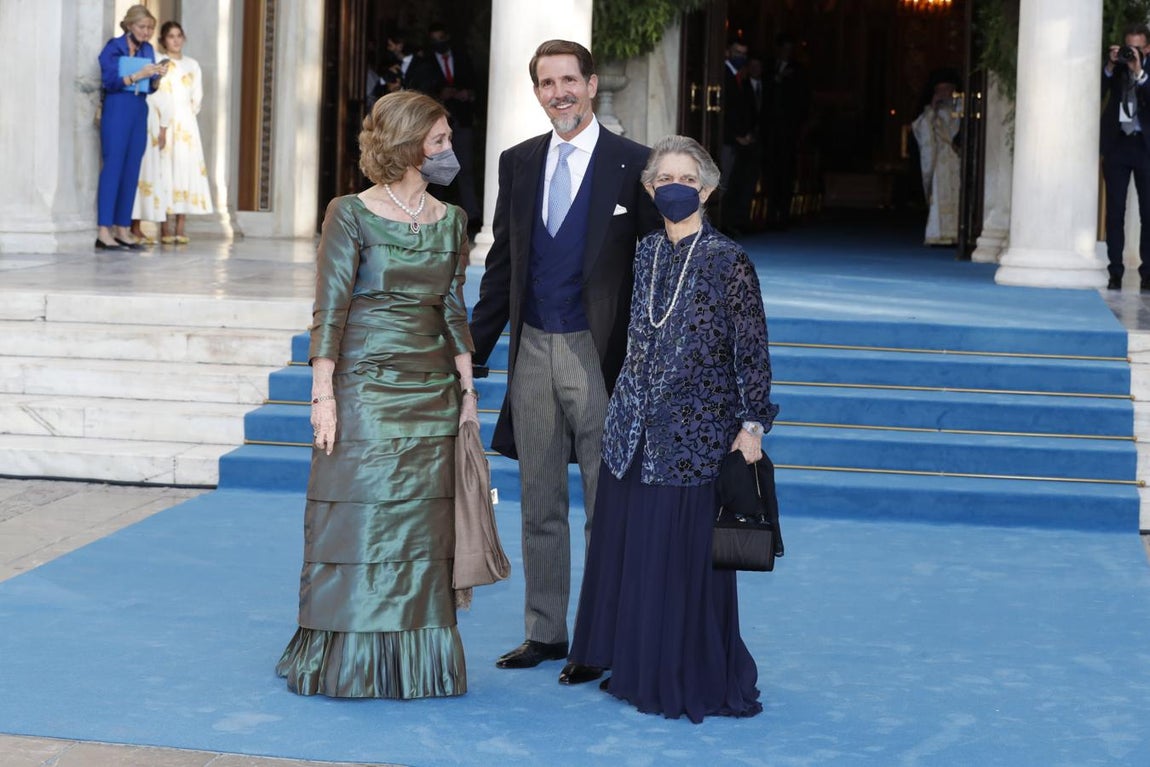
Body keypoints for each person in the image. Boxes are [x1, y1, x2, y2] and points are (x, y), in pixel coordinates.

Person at [568, 134, 779, 723]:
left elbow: (752, 349)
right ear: (649, 189)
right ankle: (636, 665)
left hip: (695, 436)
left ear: (707, 190)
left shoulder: (729, 260)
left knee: (681, 559)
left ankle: (684, 673)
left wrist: (753, 425)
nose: (675, 188)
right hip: (632, 431)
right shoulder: (645, 252)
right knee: (639, 555)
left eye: (687, 179)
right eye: (664, 179)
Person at [468, 39, 659, 684]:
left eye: (569, 80)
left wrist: (649, 364)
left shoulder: (635, 164)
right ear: (537, 92)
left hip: (600, 356)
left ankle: (603, 638)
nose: (560, 93)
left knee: (608, 506)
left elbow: (652, 272)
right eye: (547, 83)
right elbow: (503, 265)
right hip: (532, 349)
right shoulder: (518, 162)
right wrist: (473, 350)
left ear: (592, 84)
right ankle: (545, 632)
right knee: (539, 502)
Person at [276, 90, 478, 699]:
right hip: (364, 385)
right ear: (410, 145)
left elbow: (452, 307)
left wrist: (468, 391)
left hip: (433, 390)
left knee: (422, 531)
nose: (449, 150)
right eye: (439, 140)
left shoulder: (452, 219)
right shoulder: (350, 213)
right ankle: (352, 658)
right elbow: (330, 307)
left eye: (448, 140)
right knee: (363, 522)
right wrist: (323, 394)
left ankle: (418, 662)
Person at [95, 5, 169, 251]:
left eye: (150, 28)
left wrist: (157, 77)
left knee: (132, 167)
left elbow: (150, 87)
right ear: (129, 25)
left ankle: (122, 228)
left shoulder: (147, 49)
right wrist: (138, 74)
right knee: (113, 165)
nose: (146, 32)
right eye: (142, 27)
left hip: (139, 108)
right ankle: (104, 230)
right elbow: (110, 81)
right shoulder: (113, 47)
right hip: (118, 107)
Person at [406, 24, 482, 227]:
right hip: (435, 123)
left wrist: (468, 94)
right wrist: (439, 95)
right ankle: (433, 217)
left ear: (448, 37)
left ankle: (472, 217)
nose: (439, 43)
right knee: (434, 169)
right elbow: (418, 90)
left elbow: (476, 84)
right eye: (434, 39)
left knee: (465, 169)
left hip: (462, 120)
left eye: (441, 38)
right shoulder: (425, 62)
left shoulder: (462, 57)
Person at [148, 21, 213, 245]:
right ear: (163, 40)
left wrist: (186, 116)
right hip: (163, 122)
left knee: (184, 170)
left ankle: (181, 226)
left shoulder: (192, 65)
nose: (175, 40)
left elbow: (197, 98)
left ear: (183, 38)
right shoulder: (158, 61)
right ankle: (164, 226)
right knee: (164, 169)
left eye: (178, 36)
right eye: (170, 36)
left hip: (186, 124)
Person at [1101, 23, 1150, 290]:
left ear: (1147, 48)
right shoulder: (1117, 67)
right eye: (1128, 47)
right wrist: (1110, 65)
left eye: (1138, 48)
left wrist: (1139, 72)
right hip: (1118, 144)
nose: (1132, 53)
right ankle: (1115, 271)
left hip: (1145, 146)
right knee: (1115, 212)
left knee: (1148, 213)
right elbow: (1096, 90)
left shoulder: (1145, 71)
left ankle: (1148, 272)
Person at [762, 34, 810, 229]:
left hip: (789, 131)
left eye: (790, 49)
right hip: (769, 131)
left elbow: (803, 99)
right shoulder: (768, 68)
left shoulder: (798, 70)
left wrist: (800, 128)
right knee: (769, 171)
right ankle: (769, 212)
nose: (787, 53)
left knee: (786, 172)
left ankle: (784, 213)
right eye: (784, 49)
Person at [911, 68, 962, 246]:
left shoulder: (960, 108)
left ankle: (958, 233)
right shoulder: (930, 113)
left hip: (956, 158)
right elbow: (921, 129)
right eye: (941, 90)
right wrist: (932, 108)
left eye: (947, 90)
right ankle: (939, 234)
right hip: (940, 160)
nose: (944, 94)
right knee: (940, 196)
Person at [719, 40, 755, 234]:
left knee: (736, 182)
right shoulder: (722, 75)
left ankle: (731, 222)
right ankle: (720, 223)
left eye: (744, 54)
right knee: (723, 182)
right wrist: (735, 136)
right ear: (728, 52)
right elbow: (722, 112)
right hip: (727, 139)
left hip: (741, 140)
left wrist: (747, 133)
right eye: (737, 52)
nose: (740, 57)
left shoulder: (742, 77)